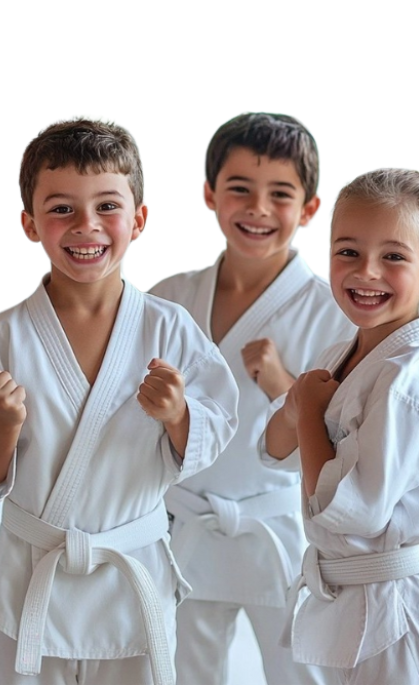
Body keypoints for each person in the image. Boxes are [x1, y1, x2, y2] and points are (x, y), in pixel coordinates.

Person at [0, 114, 239, 685]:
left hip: (130, 580)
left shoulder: (169, 329)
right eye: (61, 209)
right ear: (28, 223)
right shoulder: (3, 336)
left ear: (140, 218)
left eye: (106, 206)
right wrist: (2, 423)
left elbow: (216, 428)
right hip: (29, 581)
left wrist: (178, 416)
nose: (85, 226)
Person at [149, 111, 355, 685]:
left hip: (277, 524)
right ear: (210, 194)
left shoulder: (330, 307)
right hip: (185, 523)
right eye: (239, 189)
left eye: (280, 194)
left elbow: (345, 437)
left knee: (299, 671)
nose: (258, 209)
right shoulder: (169, 298)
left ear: (311, 209)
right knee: (184, 671)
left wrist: (282, 385)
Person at [263, 167, 419, 684]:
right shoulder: (341, 355)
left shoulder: (411, 383)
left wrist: (308, 413)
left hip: (398, 620)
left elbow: (349, 512)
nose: (366, 272)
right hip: (346, 607)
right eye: (348, 252)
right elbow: (272, 450)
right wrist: (298, 407)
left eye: (394, 257)